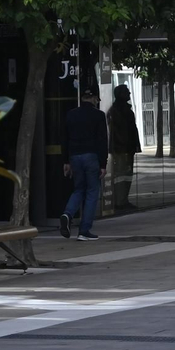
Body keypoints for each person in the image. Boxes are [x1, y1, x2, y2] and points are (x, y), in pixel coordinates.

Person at [60, 89, 107, 240]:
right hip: (91, 156)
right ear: (93, 99)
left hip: (74, 156)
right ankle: (84, 230)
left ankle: (67, 214)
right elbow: (102, 141)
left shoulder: (71, 114)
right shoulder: (98, 115)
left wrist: (66, 161)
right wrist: (103, 164)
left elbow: (65, 138)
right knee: (92, 191)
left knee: (79, 189)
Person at [108, 85, 142, 212]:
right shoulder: (117, 111)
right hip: (121, 148)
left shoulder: (125, 110)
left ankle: (123, 199)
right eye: (127, 92)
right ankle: (120, 200)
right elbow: (119, 132)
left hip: (127, 148)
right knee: (120, 175)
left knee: (126, 175)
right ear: (121, 94)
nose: (129, 94)